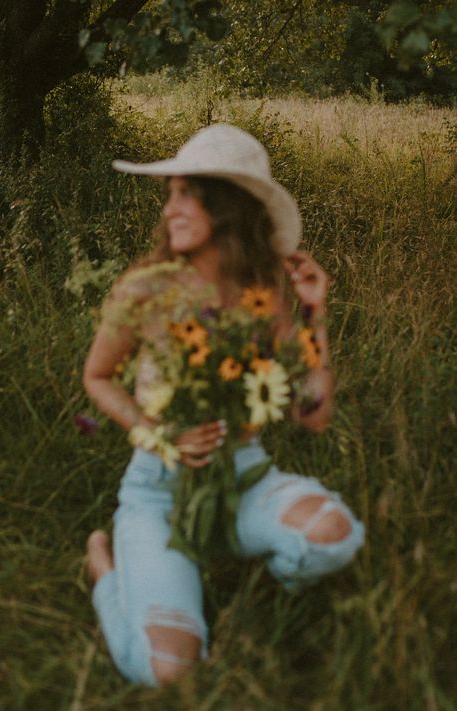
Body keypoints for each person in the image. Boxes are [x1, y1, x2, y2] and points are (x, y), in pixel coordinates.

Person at [83, 124, 364, 687]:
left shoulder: (267, 294)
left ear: (228, 207)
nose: (171, 209)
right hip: (158, 491)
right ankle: (107, 572)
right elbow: (97, 377)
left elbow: (314, 417)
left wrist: (314, 316)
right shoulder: (145, 287)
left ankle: (254, 575)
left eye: (188, 194)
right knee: (168, 670)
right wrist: (157, 432)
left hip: (244, 478)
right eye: (171, 194)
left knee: (334, 534)